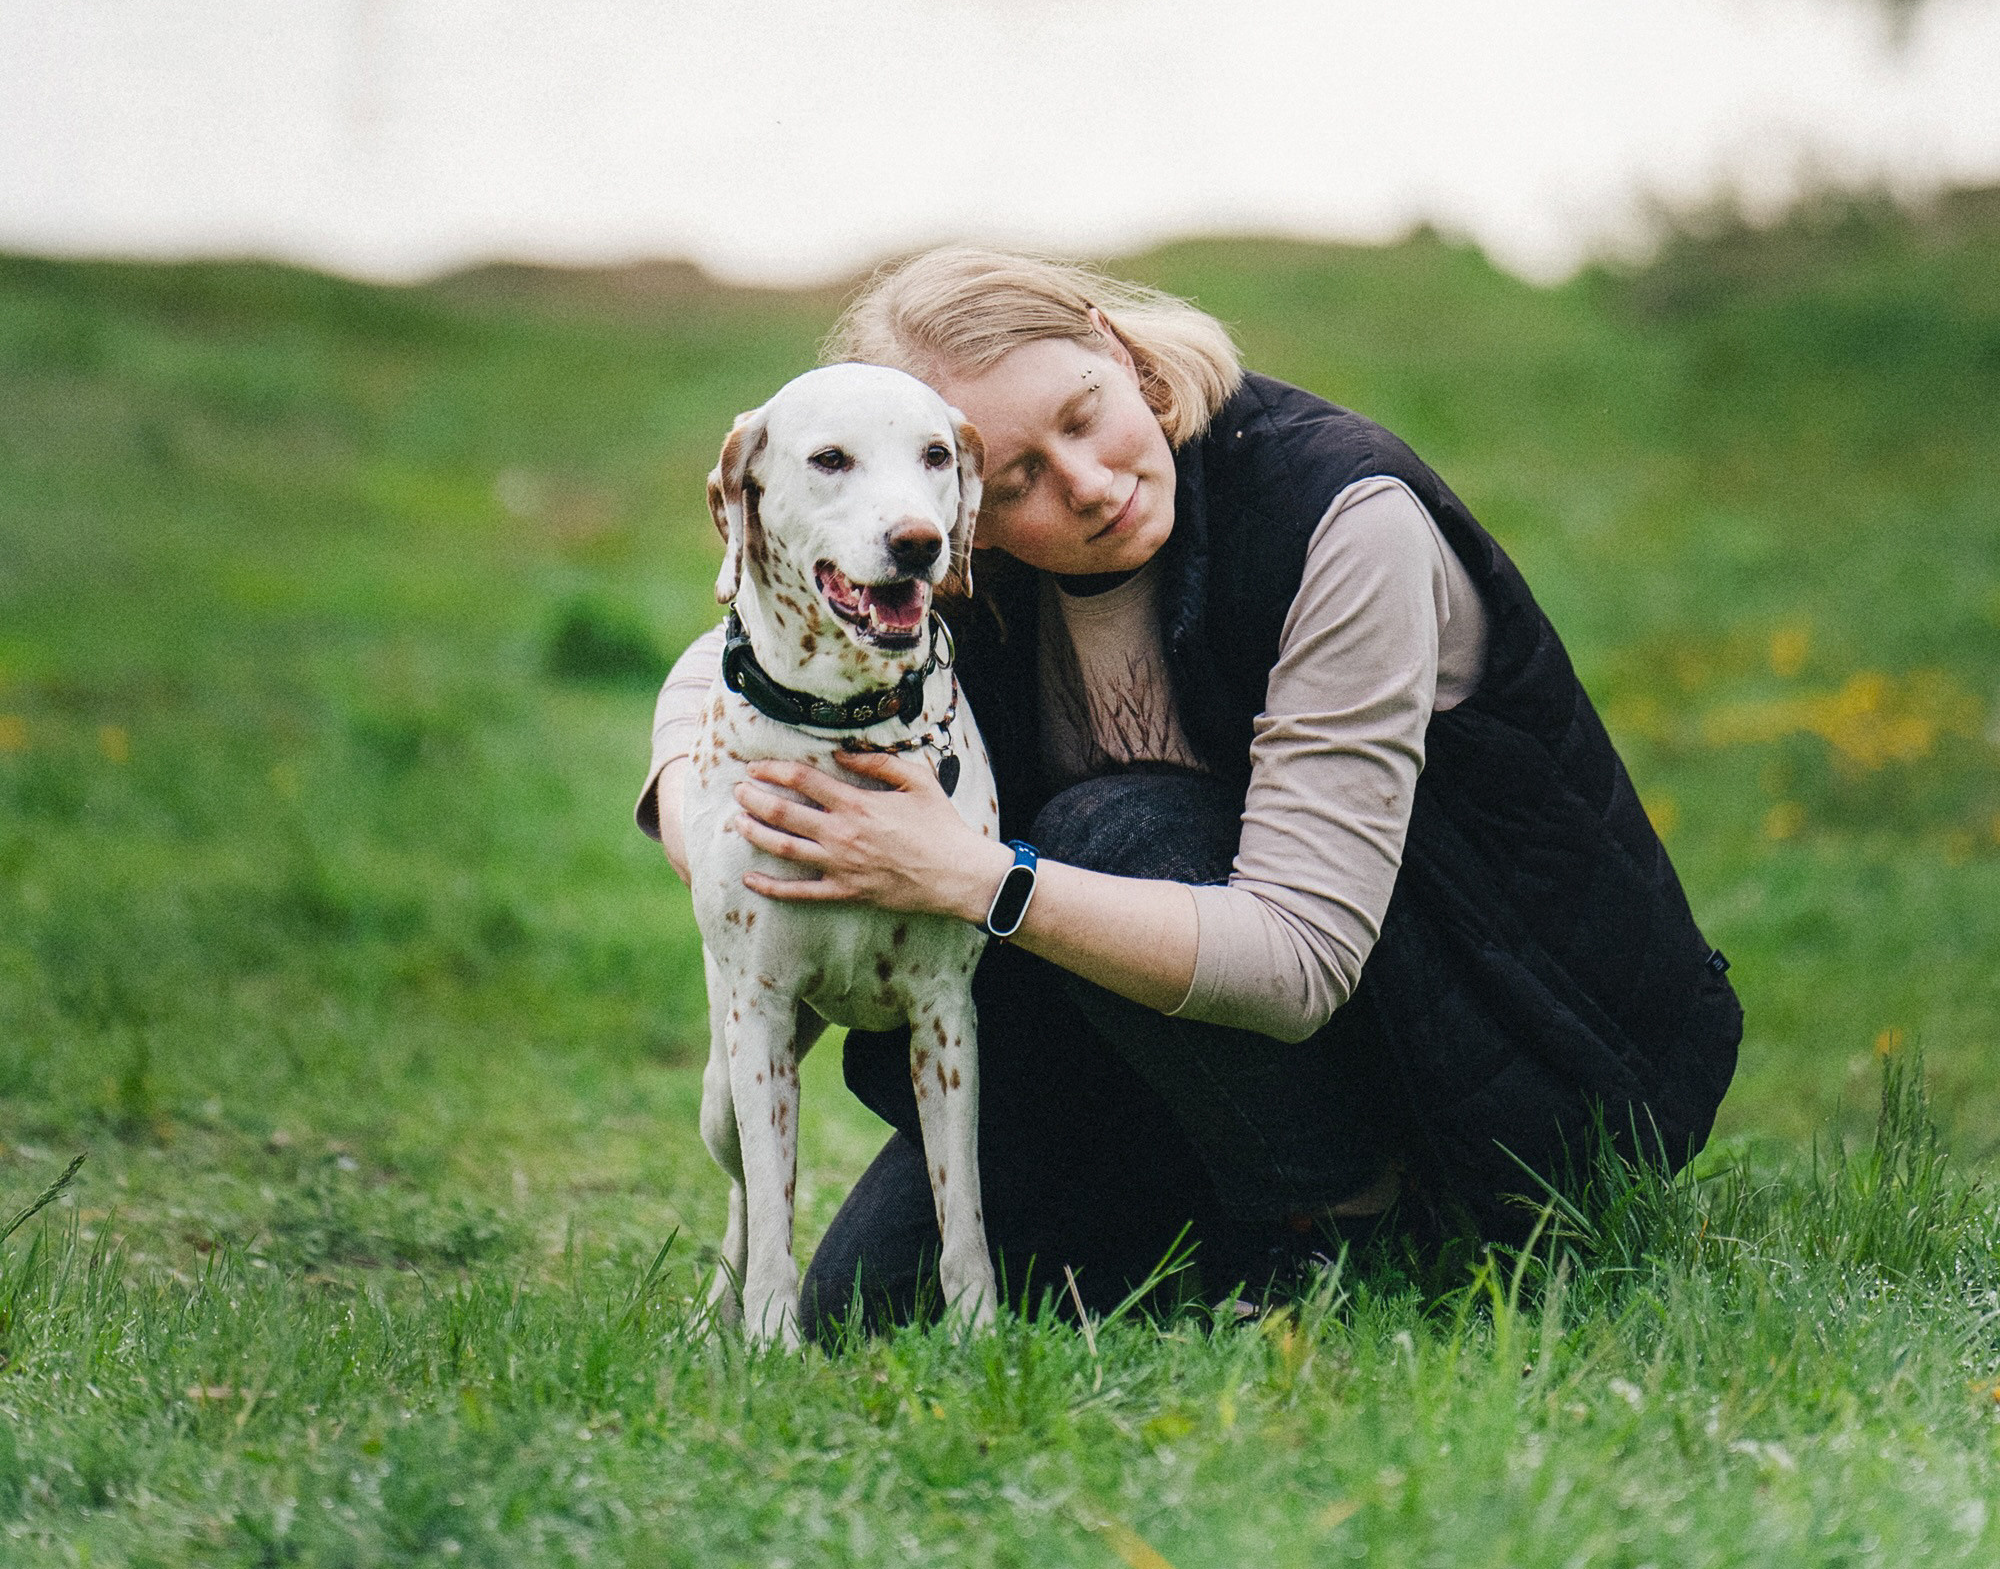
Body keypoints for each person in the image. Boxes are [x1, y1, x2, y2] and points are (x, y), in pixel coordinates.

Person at [638, 248, 1741, 1329]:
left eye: (1082, 416)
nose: (1084, 485)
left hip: (1519, 1054)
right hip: (1161, 1042)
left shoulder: (1343, 516)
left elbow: (1299, 960)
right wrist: (701, 818)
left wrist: (976, 878)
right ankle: (1212, 1214)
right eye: (1015, 477)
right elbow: (723, 655)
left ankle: (1346, 1228)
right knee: (856, 1308)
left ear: (1119, 350)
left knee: (1109, 831)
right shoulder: (937, 540)